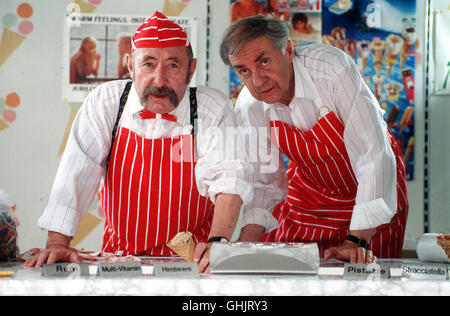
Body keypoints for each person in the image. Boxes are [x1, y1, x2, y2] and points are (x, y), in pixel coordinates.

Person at [25, 11, 252, 273]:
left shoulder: (212, 108)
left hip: (194, 266)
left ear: (192, 70)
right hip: (118, 263)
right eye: (148, 64)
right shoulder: (106, 103)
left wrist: (218, 242)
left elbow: (229, 179)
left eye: (173, 65)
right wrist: (57, 242)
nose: (160, 80)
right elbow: (76, 171)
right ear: (130, 66)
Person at [220, 15, 408, 263]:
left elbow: (371, 154)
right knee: (285, 269)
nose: (256, 80)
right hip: (311, 193)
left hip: (374, 185)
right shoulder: (249, 104)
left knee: (363, 272)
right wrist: (242, 247)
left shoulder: (331, 70)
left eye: (264, 61)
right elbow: (263, 181)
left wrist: (357, 240)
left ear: (288, 49)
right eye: (243, 70)